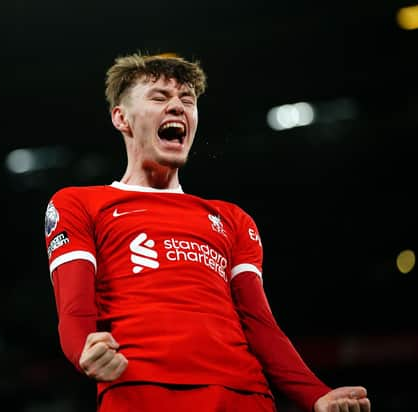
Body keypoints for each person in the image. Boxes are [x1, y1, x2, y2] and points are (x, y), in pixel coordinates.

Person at [43, 52, 371, 412]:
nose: (177, 107)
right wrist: (83, 350)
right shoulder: (79, 204)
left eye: (187, 100)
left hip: (246, 396)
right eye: (158, 97)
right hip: (143, 391)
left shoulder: (232, 219)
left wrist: (315, 394)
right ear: (121, 118)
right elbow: (74, 310)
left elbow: (259, 323)